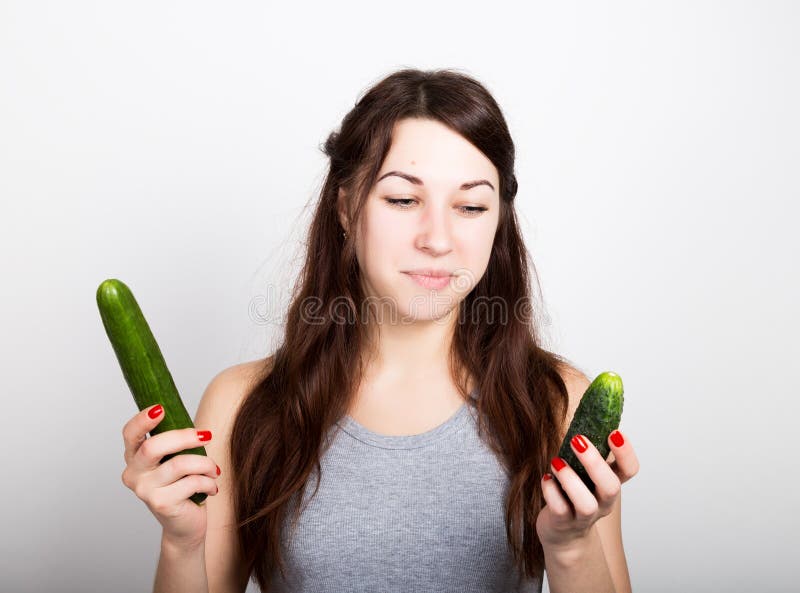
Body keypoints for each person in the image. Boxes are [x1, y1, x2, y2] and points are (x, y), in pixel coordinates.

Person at [120, 68, 639, 593]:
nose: (437, 239)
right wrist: (181, 543)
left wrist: (571, 545)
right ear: (346, 208)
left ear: (498, 220)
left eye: (471, 206)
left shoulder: (558, 400)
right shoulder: (241, 404)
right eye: (402, 200)